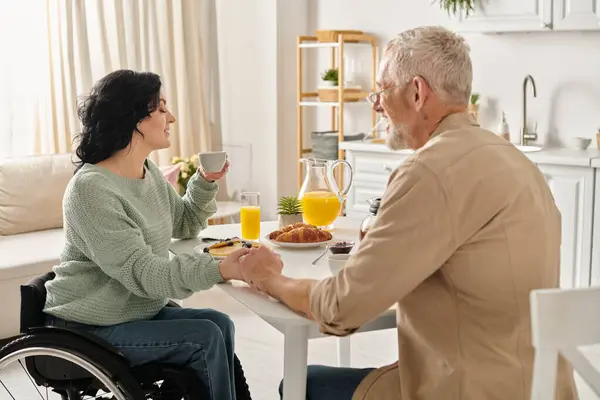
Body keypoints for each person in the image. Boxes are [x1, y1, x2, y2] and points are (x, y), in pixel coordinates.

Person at [238, 27, 579, 399]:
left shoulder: (430, 169)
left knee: (301, 385)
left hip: (467, 388)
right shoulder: (516, 162)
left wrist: (269, 279)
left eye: (383, 90)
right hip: (539, 385)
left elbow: (341, 308)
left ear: (417, 93)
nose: (376, 104)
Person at [43, 69, 249, 399]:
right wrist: (221, 268)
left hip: (132, 312)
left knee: (220, 323)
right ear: (136, 118)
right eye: (162, 108)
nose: (172, 117)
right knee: (204, 336)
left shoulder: (146, 173)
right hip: (88, 327)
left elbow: (184, 224)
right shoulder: (91, 190)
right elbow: (146, 275)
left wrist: (205, 181)